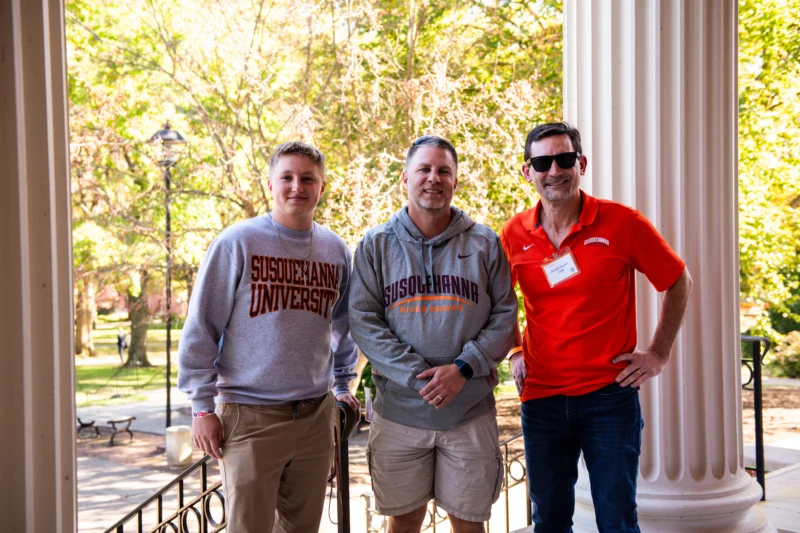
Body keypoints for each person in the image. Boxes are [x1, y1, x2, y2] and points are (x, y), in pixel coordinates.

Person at [500, 122, 693, 533]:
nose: (554, 170)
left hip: (609, 397)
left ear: (581, 163)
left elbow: (679, 281)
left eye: (564, 158)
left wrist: (658, 352)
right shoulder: (514, 234)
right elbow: (499, 303)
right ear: (527, 171)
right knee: (549, 519)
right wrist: (515, 351)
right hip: (543, 398)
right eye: (542, 161)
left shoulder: (622, 223)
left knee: (616, 517)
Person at [178, 141, 360, 533]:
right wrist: (202, 407)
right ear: (270, 185)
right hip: (249, 416)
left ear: (322, 187)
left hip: (315, 415)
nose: (297, 186)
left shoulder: (335, 250)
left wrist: (343, 386)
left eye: (307, 178)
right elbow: (201, 327)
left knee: (302, 529)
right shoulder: (237, 242)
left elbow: (344, 327)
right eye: (287, 178)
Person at [349, 135, 518, 533]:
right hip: (399, 415)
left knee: (469, 524)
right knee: (403, 522)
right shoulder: (376, 245)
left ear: (456, 181)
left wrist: (462, 368)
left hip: (470, 414)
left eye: (444, 170)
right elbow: (363, 320)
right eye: (424, 169)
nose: (433, 178)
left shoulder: (484, 242)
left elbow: (506, 316)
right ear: (404, 178)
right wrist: (418, 375)